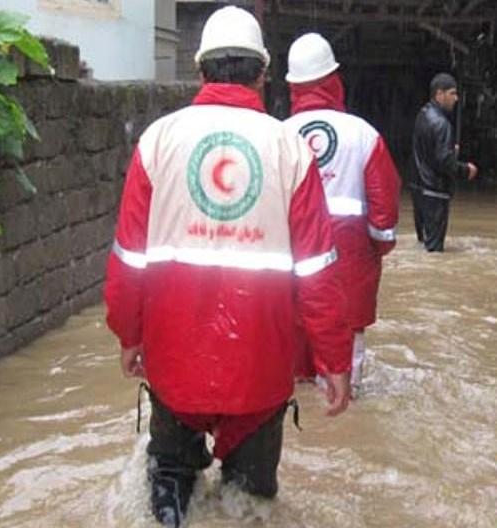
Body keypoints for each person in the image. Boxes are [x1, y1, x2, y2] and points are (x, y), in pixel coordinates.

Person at [104, 8, 352, 528]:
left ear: (200, 72)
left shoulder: (157, 140)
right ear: (263, 74)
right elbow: (318, 274)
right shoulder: (291, 150)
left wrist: (128, 334)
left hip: (174, 364)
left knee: (168, 489)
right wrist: (334, 360)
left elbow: (129, 259)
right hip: (260, 371)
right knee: (251, 506)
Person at [283, 33, 401, 393]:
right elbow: (384, 218)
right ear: (335, 80)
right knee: (343, 387)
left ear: (293, 86)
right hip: (349, 273)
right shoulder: (364, 135)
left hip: (291, 274)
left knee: (294, 381)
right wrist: (373, 252)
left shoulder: (278, 135)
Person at [413, 72, 478, 251]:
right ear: (439, 94)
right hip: (435, 193)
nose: (456, 99)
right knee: (434, 251)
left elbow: (427, 151)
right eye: (452, 93)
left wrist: (449, 152)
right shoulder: (442, 124)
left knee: (423, 245)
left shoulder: (423, 114)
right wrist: (466, 170)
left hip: (419, 190)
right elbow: (443, 162)